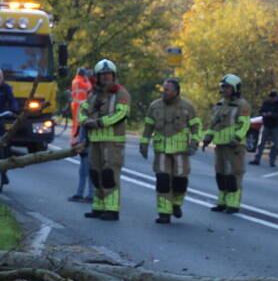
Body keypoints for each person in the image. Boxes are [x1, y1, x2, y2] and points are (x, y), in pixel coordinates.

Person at [140, 79, 201, 224]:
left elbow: (196, 127)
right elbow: (148, 127)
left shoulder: (187, 107)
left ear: (176, 91)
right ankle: (164, 213)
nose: (164, 92)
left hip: (181, 151)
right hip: (161, 151)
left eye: (167, 90)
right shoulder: (155, 106)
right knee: (163, 181)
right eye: (163, 89)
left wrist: (194, 143)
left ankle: (176, 204)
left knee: (180, 182)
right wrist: (144, 144)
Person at [78, 59, 130, 221]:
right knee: (95, 174)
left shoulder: (121, 93)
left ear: (113, 75)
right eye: (103, 75)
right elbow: (82, 111)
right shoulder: (93, 95)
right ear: (98, 77)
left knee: (109, 175)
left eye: (108, 74)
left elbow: (121, 114)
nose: (106, 77)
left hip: (113, 142)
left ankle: (112, 209)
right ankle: (99, 207)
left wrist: (100, 122)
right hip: (95, 142)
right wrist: (84, 121)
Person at [202, 74, 252, 214]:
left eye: (228, 87)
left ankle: (233, 204)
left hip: (234, 146)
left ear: (235, 88)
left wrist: (236, 138)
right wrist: (207, 138)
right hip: (220, 145)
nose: (224, 90)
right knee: (221, 174)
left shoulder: (242, 104)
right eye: (223, 87)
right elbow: (214, 124)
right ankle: (222, 202)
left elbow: (245, 124)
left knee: (233, 175)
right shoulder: (220, 103)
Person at [68, 67, 93, 202]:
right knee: (84, 169)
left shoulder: (76, 81)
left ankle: (89, 194)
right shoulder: (83, 82)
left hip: (91, 140)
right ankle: (84, 193)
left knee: (88, 169)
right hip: (85, 136)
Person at [250, 91, 278, 167]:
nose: (272, 99)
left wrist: (272, 115)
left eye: (273, 98)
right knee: (261, 143)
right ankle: (257, 159)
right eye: (271, 98)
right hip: (266, 125)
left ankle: (272, 161)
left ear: (276, 97)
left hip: (276, 126)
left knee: (275, 145)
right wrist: (264, 114)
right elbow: (261, 111)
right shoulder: (266, 103)